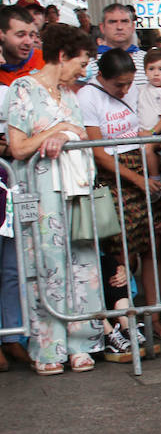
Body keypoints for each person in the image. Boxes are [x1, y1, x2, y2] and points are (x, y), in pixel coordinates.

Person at [4, 23, 104, 375]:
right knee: (46, 266)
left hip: (75, 191)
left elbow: (80, 135)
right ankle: (49, 348)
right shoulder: (22, 89)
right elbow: (17, 147)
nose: (83, 70)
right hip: (41, 194)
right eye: (80, 62)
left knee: (81, 264)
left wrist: (68, 133)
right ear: (62, 56)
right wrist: (54, 132)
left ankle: (82, 343)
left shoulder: (72, 96)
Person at [80, 49, 161, 327]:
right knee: (122, 250)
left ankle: (155, 320)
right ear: (101, 77)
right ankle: (123, 319)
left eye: (130, 83)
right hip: (114, 173)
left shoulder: (135, 91)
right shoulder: (88, 96)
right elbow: (98, 152)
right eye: (119, 84)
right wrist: (138, 180)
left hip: (142, 162)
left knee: (152, 246)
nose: (126, 89)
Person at [84, 3, 146, 91]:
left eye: (124, 21)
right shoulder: (88, 64)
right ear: (102, 28)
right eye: (112, 22)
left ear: (133, 26)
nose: (119, 27)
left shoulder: (148, 60)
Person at [0, 4, 43, 85]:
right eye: (20, 35)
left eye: (31, 35)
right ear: (1, 34)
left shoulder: (46, 61)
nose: (28, 42)